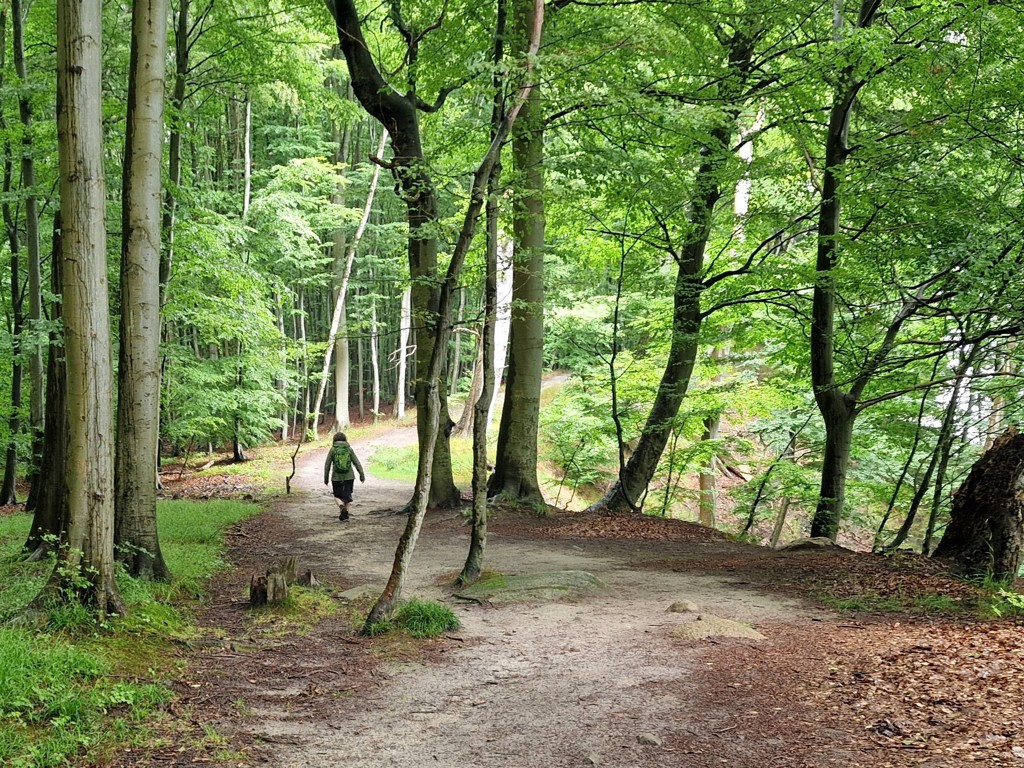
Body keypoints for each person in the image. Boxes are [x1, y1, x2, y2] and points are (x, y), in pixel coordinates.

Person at [323, 432, 365, 521]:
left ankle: (342, 507)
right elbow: (357, 462)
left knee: (337, 495)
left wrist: (326, 479)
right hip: (349, 476)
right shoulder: (349, 449)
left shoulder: (333, 450)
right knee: (347, 496)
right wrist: (362, 475)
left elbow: (327, 465)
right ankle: (346, 513)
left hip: (336, 477)